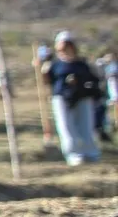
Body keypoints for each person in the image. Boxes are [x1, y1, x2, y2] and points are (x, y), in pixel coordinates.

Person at [42, 32, 100, 165]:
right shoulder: (54, 65)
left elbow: (92, 79)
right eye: (62, 47)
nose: (65, 49)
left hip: (82, 97)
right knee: (66, 127)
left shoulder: (82, 64)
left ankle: (90, 153)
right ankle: (74, 155)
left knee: (86, 126)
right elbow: (48, 81)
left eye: (68, 46)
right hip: (62, 98)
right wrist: (43, 70)